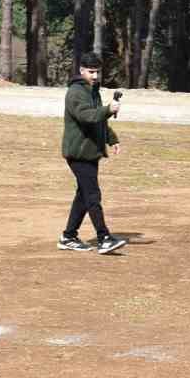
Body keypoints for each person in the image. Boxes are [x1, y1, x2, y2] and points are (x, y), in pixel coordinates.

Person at [59, 54, 127, 254]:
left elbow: (98, 121)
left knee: (83, 195)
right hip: (78, 153)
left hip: (90, 152)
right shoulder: (75, 92)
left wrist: (111, 138)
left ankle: (68, 236)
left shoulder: (92, 91)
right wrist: (108, 109)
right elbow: (86, 116)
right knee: (92, 194)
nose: (95, 76)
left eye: (97, 72)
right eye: (91, 72)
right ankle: (104, 237)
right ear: (81, 70)